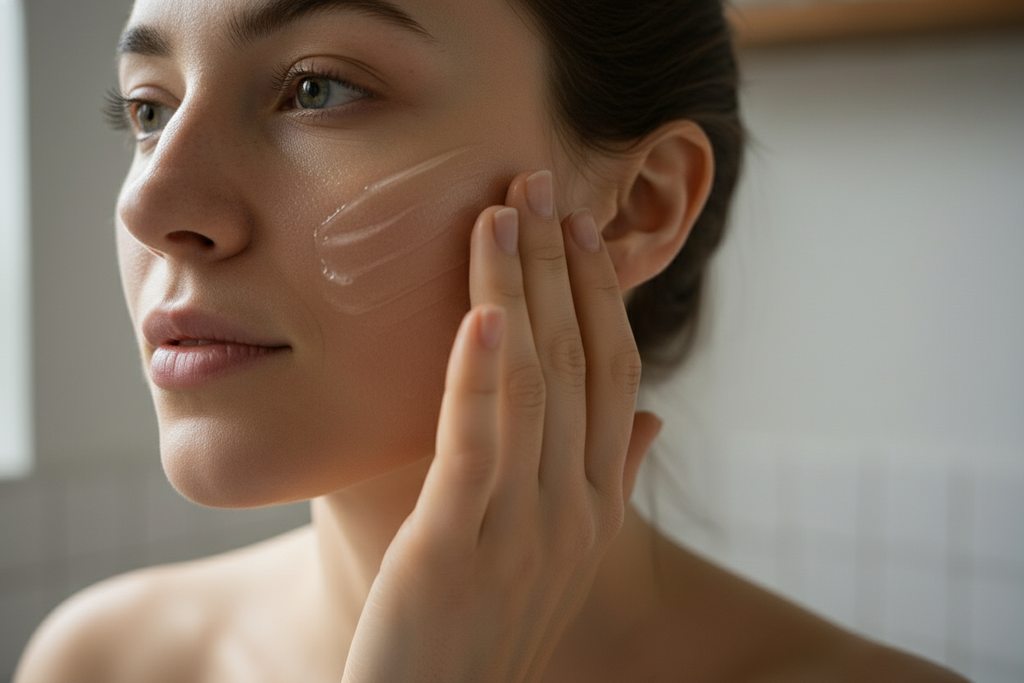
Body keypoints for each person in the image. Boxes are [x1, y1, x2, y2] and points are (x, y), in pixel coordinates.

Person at [16, 0, 967, 681]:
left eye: (318, 88)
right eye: (148, 109)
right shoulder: (103, 660)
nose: (151, 205)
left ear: (638, 206)